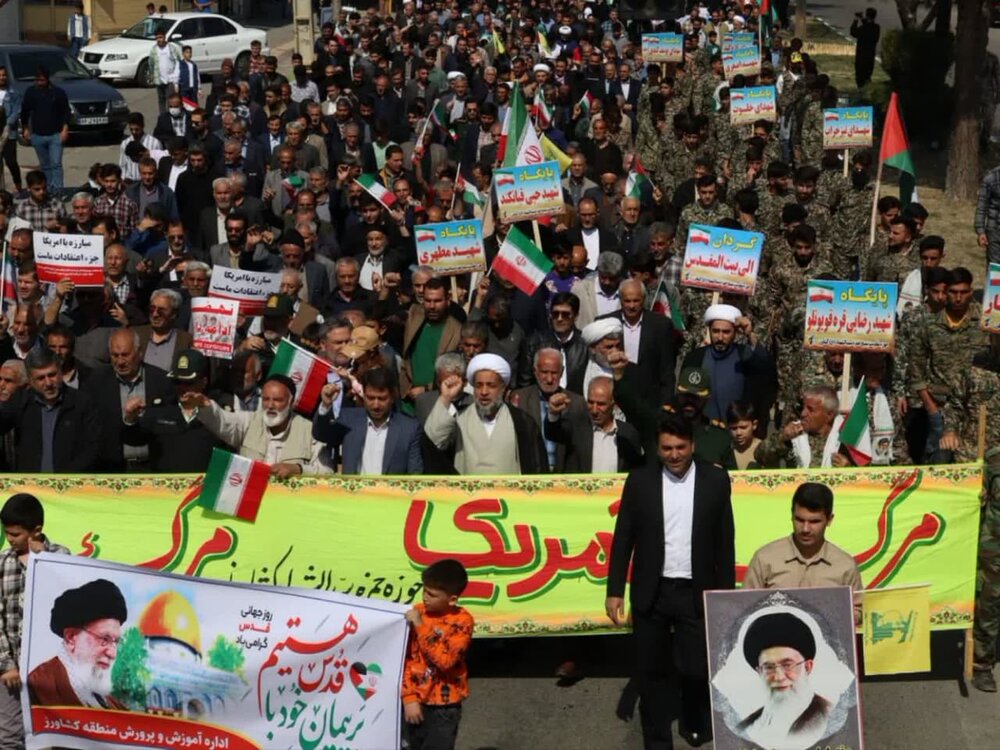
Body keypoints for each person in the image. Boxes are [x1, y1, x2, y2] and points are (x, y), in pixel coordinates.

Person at [606, 412, 734, 749]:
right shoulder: (640, 481)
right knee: (651, 672)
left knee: (696, 668)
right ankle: (657, 741)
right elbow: (624, 537)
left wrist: (724, 597)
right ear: (657, 448)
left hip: (695, 590)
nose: (674, 455)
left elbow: (725, 541)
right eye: (667, 448)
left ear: (692, 445)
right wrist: (615, 590)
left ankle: (695, 721)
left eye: (680, 447)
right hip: (653, 590)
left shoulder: (715, 480)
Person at [0, 493, 70, 748]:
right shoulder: (3, 562)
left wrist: (44, 559)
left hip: (51, 669)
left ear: (36, 531)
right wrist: (6, 664)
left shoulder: (61, 556)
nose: (10, 539)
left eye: (15, 534)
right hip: (12, 670)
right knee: (9, 737)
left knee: (57, 735)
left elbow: (68, 601)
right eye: (6, 533)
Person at [744, 482, 864, 623]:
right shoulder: (765, 559)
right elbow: (745, 607)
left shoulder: (845, 566)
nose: (805, 529)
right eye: (800, 520)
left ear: (829, 520)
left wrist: (843, 615)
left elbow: (859, 611)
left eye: (814, 522)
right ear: (791, 516)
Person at [181, 373, 332, 476]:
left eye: (277, 400)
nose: (270, 405)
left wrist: (298, 469)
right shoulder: (249, 422)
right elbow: (223, 421)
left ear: (291, 402)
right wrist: (205, 405)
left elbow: (327, 473)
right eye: (266, 399)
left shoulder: (309, 431)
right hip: (250, 501)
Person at [424, 353, 548, 475]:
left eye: (491, 385)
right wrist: (446, 397)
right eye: (479, 386)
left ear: (503, 388)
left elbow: (537, 468)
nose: (484, 392)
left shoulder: (521, 421)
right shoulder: (460, 419)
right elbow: (433, 441)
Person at [402, 559, 473, 750]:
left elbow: (445, 661)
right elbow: (405, 658)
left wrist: (420, 626)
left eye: (432, 595)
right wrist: (408, 697)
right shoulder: (417, 612)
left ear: (452, 599)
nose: (425, 598)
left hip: (444, 709)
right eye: (424, 591)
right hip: (415, 703)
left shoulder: (462, 622)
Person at [737, 611, 832, 749]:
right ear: (759, 672)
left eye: (787, 665)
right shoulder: (748, 727)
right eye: (769, 667)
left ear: (808, 667)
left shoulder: (831, 717)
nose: (779, 677)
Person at [27, 578, 127, 709]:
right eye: (104, 639)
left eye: (116, 642)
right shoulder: (38, 686)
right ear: (71, 638)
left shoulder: (112, 701)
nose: (112, 653)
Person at [313, 367, 423, 474]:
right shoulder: (349, 419)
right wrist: (326, 405)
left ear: (392, 397)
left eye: (382, 398)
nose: (376, 405)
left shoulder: (409, 429)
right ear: (364, 395)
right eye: (370, 398)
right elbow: (321, 435)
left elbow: (415, 473)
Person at [20, 67, 70, 191]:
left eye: (42, 80)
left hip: (55, 134)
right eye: (37, 80)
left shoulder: (58, 93)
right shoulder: (31, 92)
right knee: (45, 165)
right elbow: (25, 111)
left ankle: (57, 190)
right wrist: (25, 128)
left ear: (47, 79)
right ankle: (47, 188)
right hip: (38, 135)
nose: (39, 82)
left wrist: (65, 129)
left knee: (56, 164)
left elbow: (66, 112)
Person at [147, 29, 182, 115]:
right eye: (157, 38)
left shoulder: (171, 48)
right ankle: (163, 117)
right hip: (159, 79)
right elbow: (151, 63)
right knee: (161, 99)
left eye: (161, 37)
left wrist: (176, 78)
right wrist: (151, 76)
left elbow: (178, 61)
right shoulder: (154, 50)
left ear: (164, 37)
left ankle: (171, 115)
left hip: (170, 79)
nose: (159, 40)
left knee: (170, 99)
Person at [850, 8, 880, 89]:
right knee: (867, 76)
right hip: (870, 56)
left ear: (867, 16)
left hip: (861, 56)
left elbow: (853, 32)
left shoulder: (863, 28)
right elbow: (869, 25)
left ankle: (861, 90)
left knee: (860, 77)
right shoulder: (876, 28)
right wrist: (862, 18)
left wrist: (856, 19)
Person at [976, 163, 1000, 265]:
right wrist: (980, 231)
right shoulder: (990, 178)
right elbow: (981, 207)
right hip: (995, 231)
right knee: (995, 268)